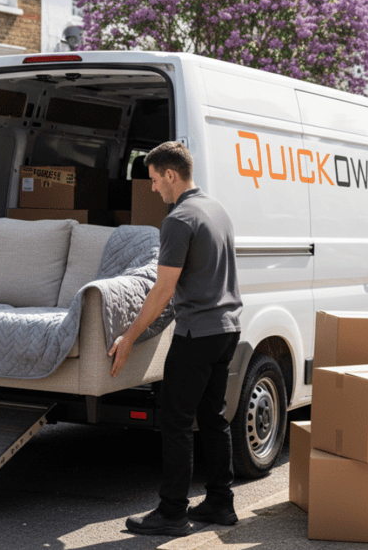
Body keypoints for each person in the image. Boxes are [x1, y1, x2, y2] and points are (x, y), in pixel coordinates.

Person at [109, 141, 243, 537]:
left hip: (196, 334)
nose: (152, 188)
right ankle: (220, 503)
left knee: (176, 423)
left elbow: (163, 290)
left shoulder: (179, 219)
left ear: (171, 174)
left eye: (154, 180)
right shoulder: (216, 210)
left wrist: (129, 336)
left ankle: (171, 512)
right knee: (213, 418)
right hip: (227, 330)